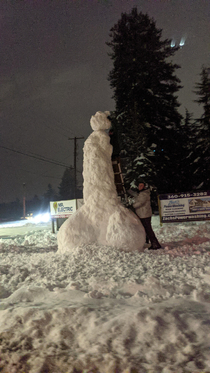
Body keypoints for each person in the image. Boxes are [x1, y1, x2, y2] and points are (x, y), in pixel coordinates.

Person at [128, 181, 162, 250]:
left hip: (144, 215)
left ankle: (155, 244)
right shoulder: (141, 193)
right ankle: (147, 242)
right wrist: (129, 190)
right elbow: (135, 194)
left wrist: (132, 206)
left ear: (144, 187)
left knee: (148, 230)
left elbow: (140, 203)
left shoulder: (144, 194)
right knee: (145, 229)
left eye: (142, 185)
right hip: (143, 214)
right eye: (139, 185)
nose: (140, 187)